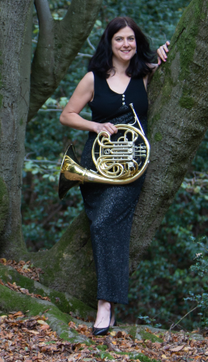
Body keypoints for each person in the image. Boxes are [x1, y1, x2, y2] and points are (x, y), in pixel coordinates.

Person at [59, 17, 168, 336]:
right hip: (98, 165)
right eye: (119, 39)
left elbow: (166, 64)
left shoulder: (145, 74)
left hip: (131, 165)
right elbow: (67, 115)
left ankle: (105, 305)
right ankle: (110, 303)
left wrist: (162, 55)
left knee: (106, 224)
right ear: (109, 42)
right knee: (105, 226)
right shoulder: (93, 79)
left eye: (131, 39)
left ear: (137, 42)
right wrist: (96, 126)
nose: (126, 45)